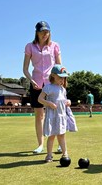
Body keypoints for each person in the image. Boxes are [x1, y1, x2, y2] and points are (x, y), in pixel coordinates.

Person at [23, 21, 62, 154]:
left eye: (47, 31)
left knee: (56, 113)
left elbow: (59, 67)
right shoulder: (30, 46)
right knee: (39, 115)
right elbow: (25, 68)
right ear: (37, 32)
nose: (44, 34)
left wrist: (60, 81)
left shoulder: (55, 46)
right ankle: (40, 144)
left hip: (52, 83)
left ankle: (59, 143)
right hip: (36, 83)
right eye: (42, 31)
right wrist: (31, 80)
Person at [38, 64, 71, 162]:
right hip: (52, 116)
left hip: (61, 116)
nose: (62, 80)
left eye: (64, 78)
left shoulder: (62, 89)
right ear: (53, 76)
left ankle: (65, 153)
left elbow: (63, 100)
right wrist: (48, 103)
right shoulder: (48, 87)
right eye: (60, 77)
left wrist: (68, 101)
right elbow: (40, 99)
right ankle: (49, 155)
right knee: (51, 136)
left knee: (61, 135)